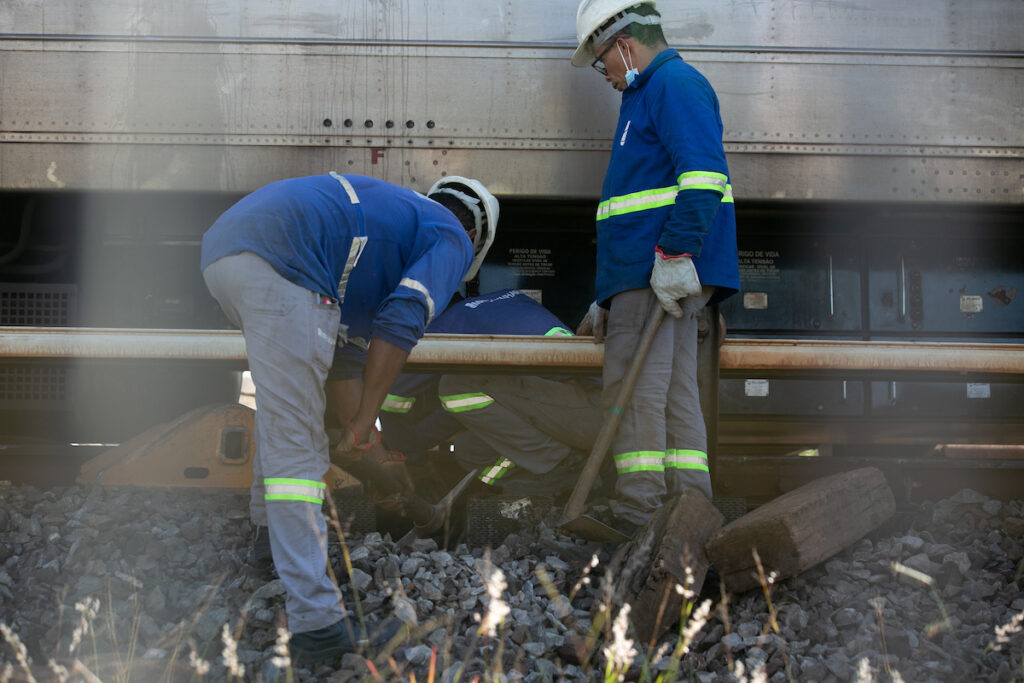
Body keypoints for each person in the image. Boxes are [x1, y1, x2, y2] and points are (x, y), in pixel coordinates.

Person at [200, 172, 497, 664]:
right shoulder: (451, 236)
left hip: (228, 249)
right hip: (285, 260)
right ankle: (318, 624)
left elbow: (342, 362)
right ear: (476, 240)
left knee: (284, 414)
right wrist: (364, 421)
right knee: (299, 445)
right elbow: (403, 318)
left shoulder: (376, 246)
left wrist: (369, 440)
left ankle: (268, 541)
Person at [570, 1, 740, 537]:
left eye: (604, 62)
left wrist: (672, 256)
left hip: (655, 268)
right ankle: (691, 509)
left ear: (624, 43)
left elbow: (705, 177)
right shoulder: (652, 93)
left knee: (633, 385)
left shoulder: (673, 86)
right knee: (671, 390)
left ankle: (641, 507)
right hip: (644, 272)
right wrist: (608, 292)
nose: (608, 76)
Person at [375, 288, 603, 497]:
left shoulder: (449, 322)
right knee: (469, 452)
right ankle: (553, 482)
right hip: (583, 415)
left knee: (454, 385)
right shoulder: (508, 298)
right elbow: (472, 405)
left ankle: (565, 466)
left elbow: (391, 400)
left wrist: (410, 459)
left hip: (593, 415)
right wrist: (421, 443)